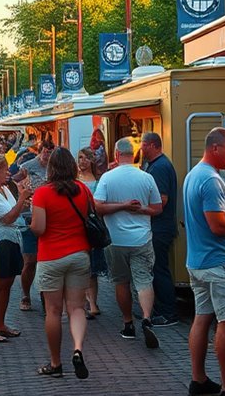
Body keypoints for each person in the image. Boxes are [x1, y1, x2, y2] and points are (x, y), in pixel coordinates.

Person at [184, 127, 225, 396]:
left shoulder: (193, 175)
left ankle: (198, 380)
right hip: (218, 264)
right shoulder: (211, 181)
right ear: (214, 149)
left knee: (201, 319)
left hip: (197, 261)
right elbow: (218, 225)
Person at [93, 137, 163, 349]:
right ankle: (147, 317)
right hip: (142, 238)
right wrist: (139, 209)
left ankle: (128, 323)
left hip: (115, 240)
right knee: (144, 281)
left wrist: (121, 206)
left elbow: (98, 207)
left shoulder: (107, 178)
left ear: (115, 154)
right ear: (134, 154)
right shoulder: (146, 177)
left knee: (121, 282)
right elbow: (158, 208)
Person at [31, 147, 92, 379]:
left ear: (51, 168)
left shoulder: (43, 194)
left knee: (53, 312)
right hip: (79, 254)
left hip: (51, 256)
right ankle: (77, 348)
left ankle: (55, 363)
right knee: (77, 308)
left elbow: (39, 228)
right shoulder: (84, 190)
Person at [0, 154, 33, 343]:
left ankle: (0, 324)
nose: (8, 172)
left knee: (7, 282)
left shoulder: (4, 189)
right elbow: (8, 217)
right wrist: (22, 199)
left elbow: (13, 211)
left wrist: (22, 199)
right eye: (4, 169)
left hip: (10, 240)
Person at [140, 132, 179, 327]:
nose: (141, 148)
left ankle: (168, 313)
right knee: (157, 268)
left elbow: (162, 200)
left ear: (154, 145)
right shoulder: (155, 165)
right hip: (160, 226)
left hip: (160, 227)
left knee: (159, 269)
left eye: (144, 145)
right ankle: (160, 309)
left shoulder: (161, 168)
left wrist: (140, 208)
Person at [17, 140, 53, 311]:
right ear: (40, 151)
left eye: (51, 152)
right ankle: (25, 294)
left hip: (51, 217)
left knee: (47, 260)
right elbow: (15, 179)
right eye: (46, 152)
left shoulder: (55, 166)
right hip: (30, 216)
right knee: (30, 261)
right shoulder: (28, 165)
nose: (48, 155)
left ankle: (44, 294)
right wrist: (22, 193)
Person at [78, 147, 106, 319]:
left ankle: (93, 302)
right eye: (80, 158)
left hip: (93, 226)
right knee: (82, 267)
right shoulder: (75, 180)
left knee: (92, 268)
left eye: (85, 158)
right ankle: (84, 300)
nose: (82, 161)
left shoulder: (99, 180)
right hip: (78, 227)